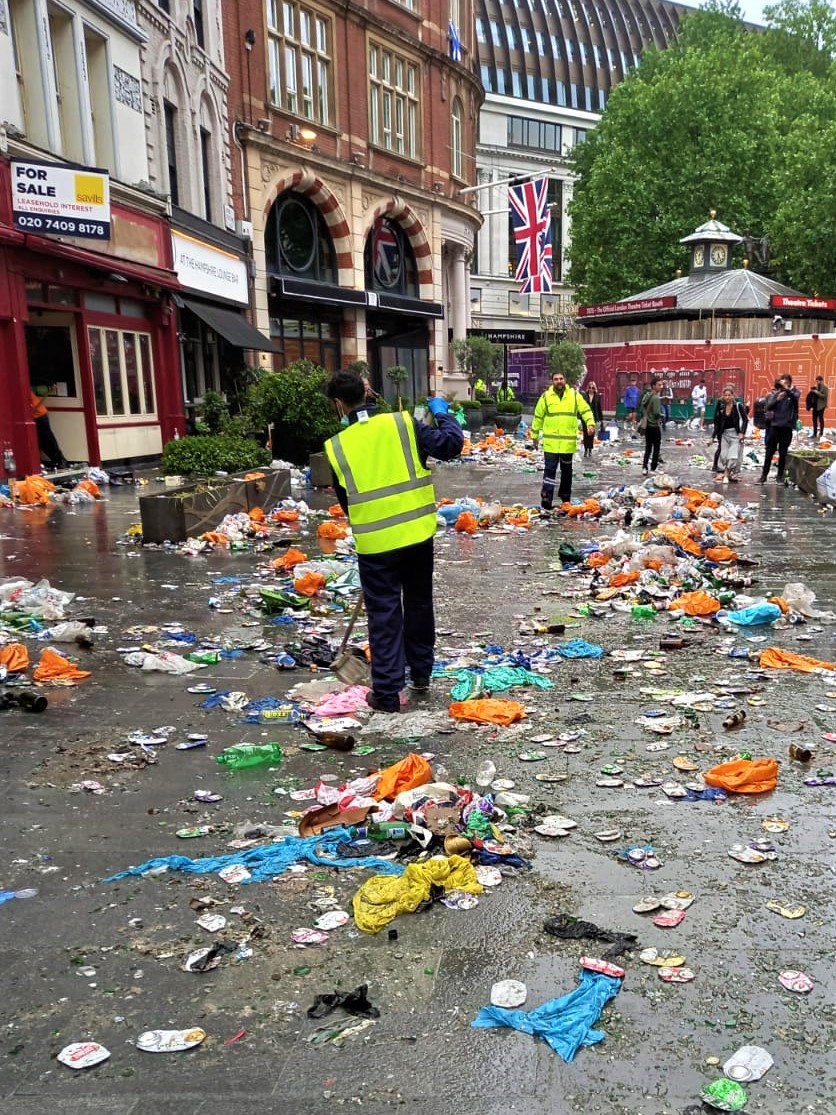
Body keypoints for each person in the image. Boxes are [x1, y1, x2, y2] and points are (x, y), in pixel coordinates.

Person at [324, 368, 464, 713]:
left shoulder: (336, 447)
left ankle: (387, 694)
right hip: (417, 534)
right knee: (417, 603)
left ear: (339, 404)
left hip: (375, 545)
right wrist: (442, 411)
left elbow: (348, 503)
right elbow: (451, 445)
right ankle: (420, 674)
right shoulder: (403, 424)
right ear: (368, 393)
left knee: (383, 614)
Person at [531, 372, 595, 510]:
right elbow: (538, 416)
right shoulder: (546, 397)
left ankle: (565, 497)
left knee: (567, 472)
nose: (559, 381)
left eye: (561, 379)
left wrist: (590, 423)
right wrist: (534, 436)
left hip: (567, 444)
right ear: (552, 381)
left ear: (565, 380)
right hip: (551, 443)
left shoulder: (574, 396)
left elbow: (586, 410)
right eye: (556, 379)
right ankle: (547, 497)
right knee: (549, 471)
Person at [759, 374, 800, 483]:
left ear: (790, 382)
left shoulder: (795, 392)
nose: (784, 385)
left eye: (786, 382)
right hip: (775, 426)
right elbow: (769, 407)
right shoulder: (777, 394)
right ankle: (764, 475)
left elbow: (795, 398)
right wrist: (777, 399)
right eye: (783, 382)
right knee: (769, 452)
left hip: (787, 427)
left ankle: (779, 476)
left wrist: (787, 390)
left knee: (783, 453)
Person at [712, 385, 747, 483]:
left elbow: (745, 420)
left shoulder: (738, 406)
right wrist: (712, 436)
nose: (727, 397)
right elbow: (718, 422)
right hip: (724, 435)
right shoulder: (721, 407)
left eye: (729, 395)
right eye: (725, 395)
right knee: (723, 456)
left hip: (735, 435)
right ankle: (729, 473)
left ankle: (726, 475)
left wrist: (742, 432)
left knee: (732, 456)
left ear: (733, 396)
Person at [31, 390, 68, 470]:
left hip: (39, 416)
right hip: (37, 415)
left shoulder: (23, 391)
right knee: (43, 441)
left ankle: (61, 461)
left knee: (47, 440)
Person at [640, 377, 662, 474]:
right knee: (656, 447)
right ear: (653, 386)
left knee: (648, 447)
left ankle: (644, 467)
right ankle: (653, 468)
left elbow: (642, 407)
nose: (660, 387)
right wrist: (662, 416)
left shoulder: (646, 396)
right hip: (654, 426)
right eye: (659, 385)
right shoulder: (656, 398)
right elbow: (657, 413)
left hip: (647, 426)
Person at [580, 381, 603, 457]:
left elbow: (599, 408)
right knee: (586, 434)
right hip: (585, 418)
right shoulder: (584, 396)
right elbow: (581, 407)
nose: (591, 389)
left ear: (595, 388)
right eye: (590, 387)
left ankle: (590, 449)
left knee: (591, 434)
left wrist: (601, 419)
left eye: (593, 388)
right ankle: (586, 449)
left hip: (593, 417)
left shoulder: (597, 397)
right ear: (588, 388)